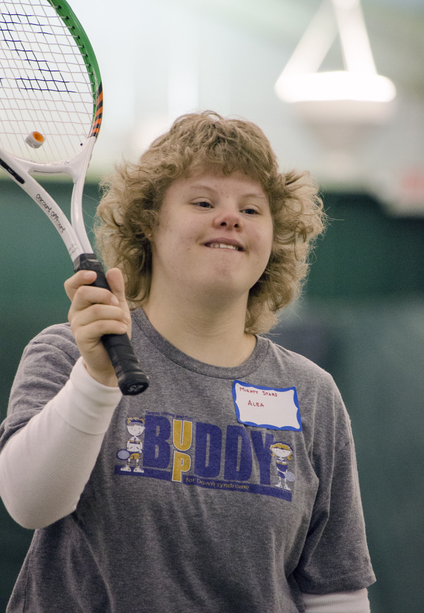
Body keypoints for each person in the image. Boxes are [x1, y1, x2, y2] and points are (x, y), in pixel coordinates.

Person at [0, 111, 375, 612]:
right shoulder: (67, 353)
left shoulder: (312, 393)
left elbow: (335, 591)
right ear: (148, 224)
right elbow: (29, 505)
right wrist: (96, 379)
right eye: (203, 201)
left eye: (252, 209)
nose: (230, 217)